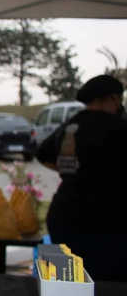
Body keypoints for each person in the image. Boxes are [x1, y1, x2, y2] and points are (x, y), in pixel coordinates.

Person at [36, 75, 127, 282]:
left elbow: (43, 154)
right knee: (108, 286)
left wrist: (72, 172)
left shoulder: (70, 125)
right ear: (113, 98)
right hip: (107, 226)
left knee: (65, 285)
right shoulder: (119, 128)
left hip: (62, 220)